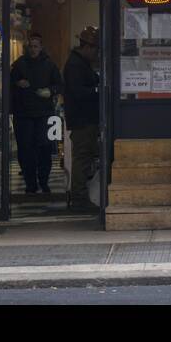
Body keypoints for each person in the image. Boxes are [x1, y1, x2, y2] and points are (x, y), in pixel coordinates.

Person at [10, 32, 62, 195]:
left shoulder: (50, 65)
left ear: (41, 48)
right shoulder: (19, 65)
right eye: (30, 47)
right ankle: (30, 183)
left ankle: (44, 182)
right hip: (23, 114)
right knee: (25, 151)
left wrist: (51, 91)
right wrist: (18, 83)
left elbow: (60, 85)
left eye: (36, 46)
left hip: (44, 113)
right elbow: (10, 84)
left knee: (44, 150)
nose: (33, 49)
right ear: (27, 48)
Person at [62, 26, 101, 213]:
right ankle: (79, 197)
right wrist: (96, 90)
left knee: (84, 157)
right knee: (82, 158)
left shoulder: (80, 63)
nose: (96, 54)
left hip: (84, 118)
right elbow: (78, 92)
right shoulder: (75, 65)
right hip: (82, 119)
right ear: (86, 47)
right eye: (95, 49)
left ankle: (81, 195)